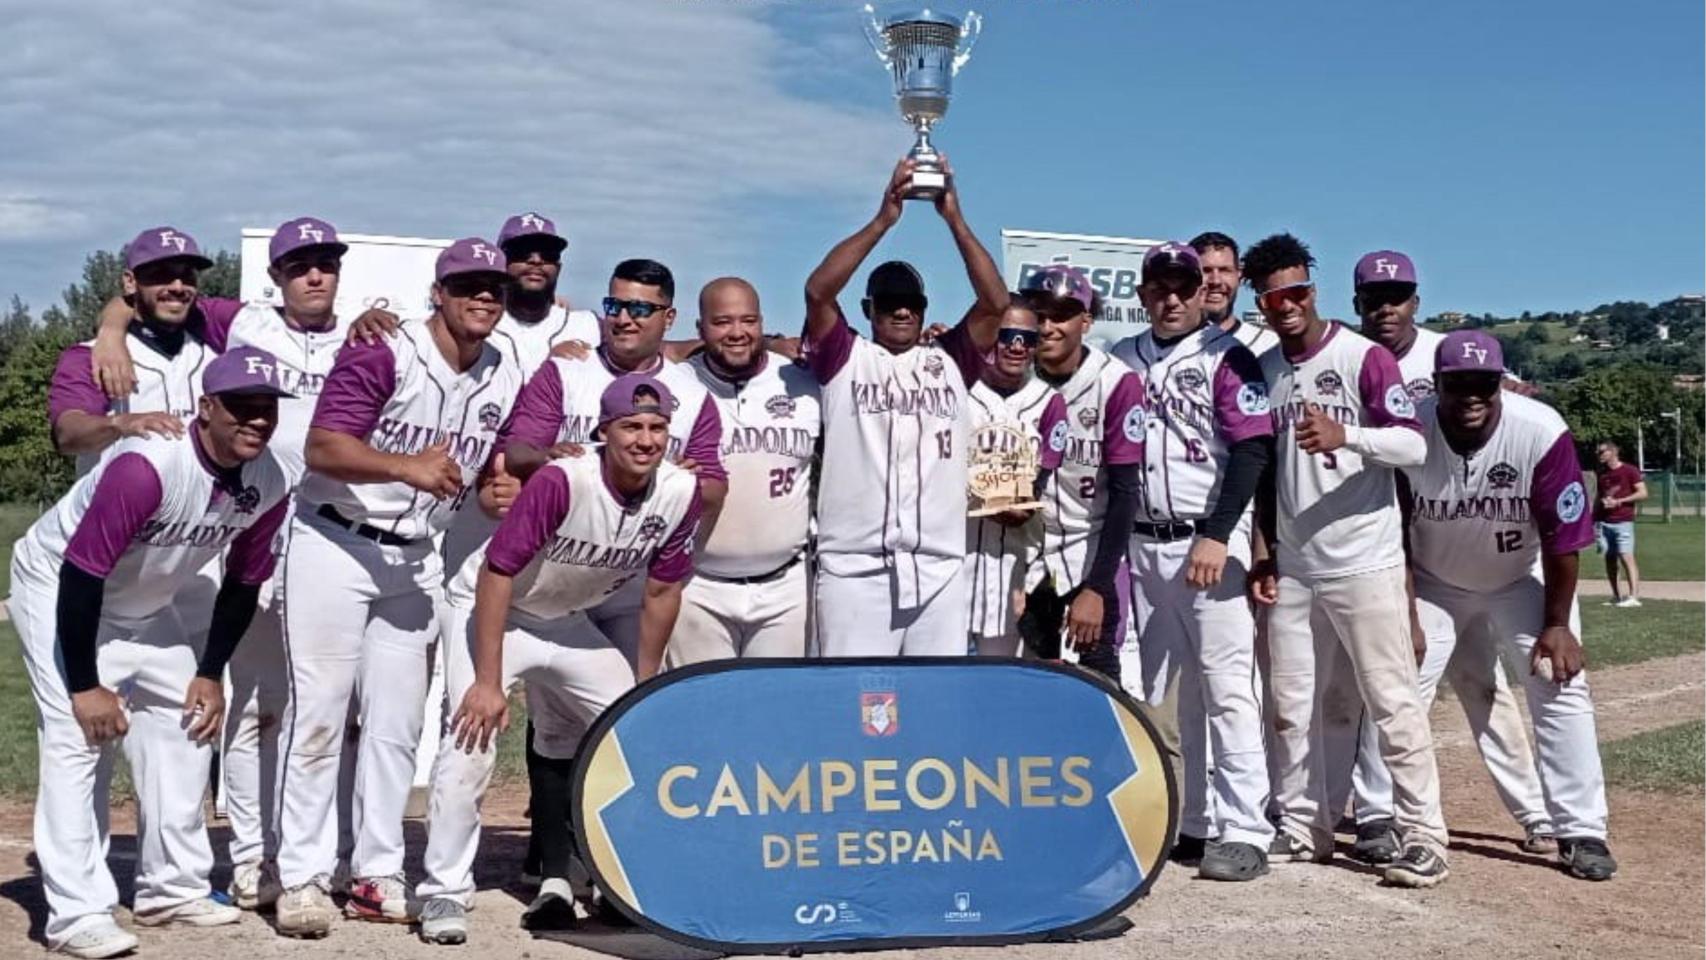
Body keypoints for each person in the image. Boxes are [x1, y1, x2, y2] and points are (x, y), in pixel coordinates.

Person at [271, 238, 528, 937]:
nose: (484, 297)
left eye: (495, 288)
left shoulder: (504, 369)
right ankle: (301, 875)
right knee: (320, 712)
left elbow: (491, 462)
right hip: (334, 539)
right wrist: (402, 467)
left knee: (397, 723)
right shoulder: (383, 351)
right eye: (468, 284)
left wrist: (500, 481)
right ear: (438, 294)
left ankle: (377, 872)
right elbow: (323, 448)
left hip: (416, 555)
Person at [9, 347, 294, 957]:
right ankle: (76, 913)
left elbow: (244, 583)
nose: (258, 420)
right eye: (242, 406)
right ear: (207, 407)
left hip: (146, 600)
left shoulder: (268, 479)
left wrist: (210, 671)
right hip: (59, 585)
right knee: (78, 737)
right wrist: (85, 685)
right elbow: (80, 577)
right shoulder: (148, 467)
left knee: (189, 720)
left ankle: (172, 887)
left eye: (267, 408)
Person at [415, 374, 702, 943]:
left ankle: (616, 878)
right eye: (631, 427)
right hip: (497, 610)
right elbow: (496, 573)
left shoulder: (677, 491)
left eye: (657, 428)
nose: (645, 440)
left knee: (629, 733)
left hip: (569, 620)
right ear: (604, 431)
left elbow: (663, 592)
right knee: (470, 735)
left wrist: (643, 686)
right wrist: (490, 681)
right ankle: (443, 891)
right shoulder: (563, 480)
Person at [1243, 232, 1449, 888]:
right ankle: (1306, 828)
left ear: (1315, 290)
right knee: (1291, 704)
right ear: (1262, 303)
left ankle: (1425, 836)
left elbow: (1414, 448)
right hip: (1300, 565)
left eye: (1299, 291)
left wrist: (1347, 435)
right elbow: (1268, 470)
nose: (1289, 304)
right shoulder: (1267, 369)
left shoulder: (1363, 357)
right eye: (1276, 296)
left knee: (1391, 703)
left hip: (1366, 559)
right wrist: (1268, 551)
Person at [1338, 249, 1555, 862]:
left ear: (1416, 299)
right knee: (1388, 687)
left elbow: (1498, 406)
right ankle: (1378, 811)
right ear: (1357, 302)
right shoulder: (1354, 361)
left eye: (1399, 293)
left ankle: (1535, 813)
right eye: (1375, 296)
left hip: (1485, 546)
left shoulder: (1447, 355)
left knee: (1484, 689)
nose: (1387, 305)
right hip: (1405, 551)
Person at [1400, 331, 1617, 881]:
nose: (1472, 394)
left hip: (1519, 577)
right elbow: (1392, 532)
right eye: (1459, 383)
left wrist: (1557, 624)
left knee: (1560, 683)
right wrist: (1402, 613)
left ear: (1501, 383)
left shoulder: (1539, 430)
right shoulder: (1410, 427)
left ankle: (1582, 828)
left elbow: (1563, 537)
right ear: (1438, 383)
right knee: (1396, 689)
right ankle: (1386, 818)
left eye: (1484, 383)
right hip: (1432, 580)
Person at [1109, 242, 1275, 882]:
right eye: (1161, 287)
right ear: (1144, 292)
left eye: (1184, 286)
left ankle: (1245, 828)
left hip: (1207, 542)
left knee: (1228, 688)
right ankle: (1198, 820)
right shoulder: (1122, 357)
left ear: (1201, 291)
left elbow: (1254, 451)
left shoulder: (1226, 357)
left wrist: (1218, 532)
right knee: (1171, 693)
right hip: (1144, 544)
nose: (1172, 298)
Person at [801, 157, 1004, 654]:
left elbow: (996, 303)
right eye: (889, 301)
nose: (902, 310)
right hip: (855, 568)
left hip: (937, 567)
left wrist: (954, 221)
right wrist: (883, 221)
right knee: (858, 709)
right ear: (868, 310)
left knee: (932, 708)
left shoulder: (950, 359)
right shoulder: (846, 357)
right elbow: (817, 290)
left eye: (911, 302)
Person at [666, 278, 821, 665]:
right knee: (705, 714)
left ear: (762, 324)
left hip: (786, 586)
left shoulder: (802, 382)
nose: (737, 332)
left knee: (777, 712)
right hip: (697, 586)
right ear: (700, 329)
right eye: (722, 322)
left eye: (747, 320)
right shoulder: (673, 385)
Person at [1016, 264, 1145, 681]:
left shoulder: (1115, 381)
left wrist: (1097, 587)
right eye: (1039, 313)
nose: (1049, 325)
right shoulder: (1011, 377)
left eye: (1063, 314)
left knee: (1096, 686)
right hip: (1023, 556)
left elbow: (1127, 492)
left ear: (1086, 322)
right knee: (1023, 690)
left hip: (1085, 552)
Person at [50, 227, 217, 474]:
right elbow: (68, 435)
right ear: (130, 282)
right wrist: (121, 424)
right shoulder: (90, 355)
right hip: (114, 509)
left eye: (187, 276)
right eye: (161, 274)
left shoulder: (216, 351)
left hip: (194, 510)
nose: (178, 286)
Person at [964, 301, 1067, 655]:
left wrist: (1023, 505)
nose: (1017, 346)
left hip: (1013, 567)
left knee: (998, 681)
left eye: (1027, 338)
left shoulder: (1049, 402)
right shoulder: (958, 390)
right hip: (952, 561)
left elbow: (1043, 480)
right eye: (1006, 336)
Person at [1593, 441, 1647, 606]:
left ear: (1613, 452)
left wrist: (1619, 501)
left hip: (1623, 521)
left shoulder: (1629, 470)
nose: (1599, 454)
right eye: (1598, 452)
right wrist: (1593, 520)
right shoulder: (1601, 473)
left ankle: (1633, 597)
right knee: (1609, 559)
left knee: (1626, 556)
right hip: (1604, 522)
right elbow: (1599, 497)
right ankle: (1616, 596)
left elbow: (1643, 493)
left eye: (1602, 451)